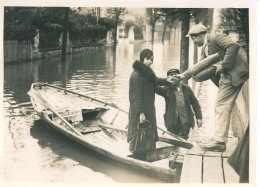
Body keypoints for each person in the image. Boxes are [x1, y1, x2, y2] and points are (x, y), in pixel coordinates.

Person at [175, 24, 249, 151]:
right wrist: (183, 75)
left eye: (193, 38)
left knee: (221, 105)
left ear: (199, 35)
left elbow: (234, 46)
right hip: (227, 77)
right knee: (221, 105)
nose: (193, 42)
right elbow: (199, 66)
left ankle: (219, 142)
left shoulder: (215, 38)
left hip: (233, 74)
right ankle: (219, 138)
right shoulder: (205, 48)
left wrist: (223, 66)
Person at [127, 49, 172, 156]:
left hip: (149, 109)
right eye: (147, 59)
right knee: (138, 136)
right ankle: (137, 155)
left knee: (148, 135)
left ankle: (147, 154)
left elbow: (155, 80)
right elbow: (135, 97)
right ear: (142, 59)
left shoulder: (147, 73)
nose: (150, 62)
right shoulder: (136, 75)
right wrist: (141, 113)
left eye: (151, 59)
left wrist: (168, 81)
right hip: (140, 111)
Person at [155, 68, 202, 140]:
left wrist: (199, 118)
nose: (174, 77)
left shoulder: (186, 88)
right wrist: (164, 81)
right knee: (173, 141)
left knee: (183, 140)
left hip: (185, 121)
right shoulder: (166, 89)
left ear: (180, 77)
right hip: (172, 122)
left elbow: (195, 103)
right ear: (168, 78)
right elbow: (155, 88)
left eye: (175, 75)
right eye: (171, 75)